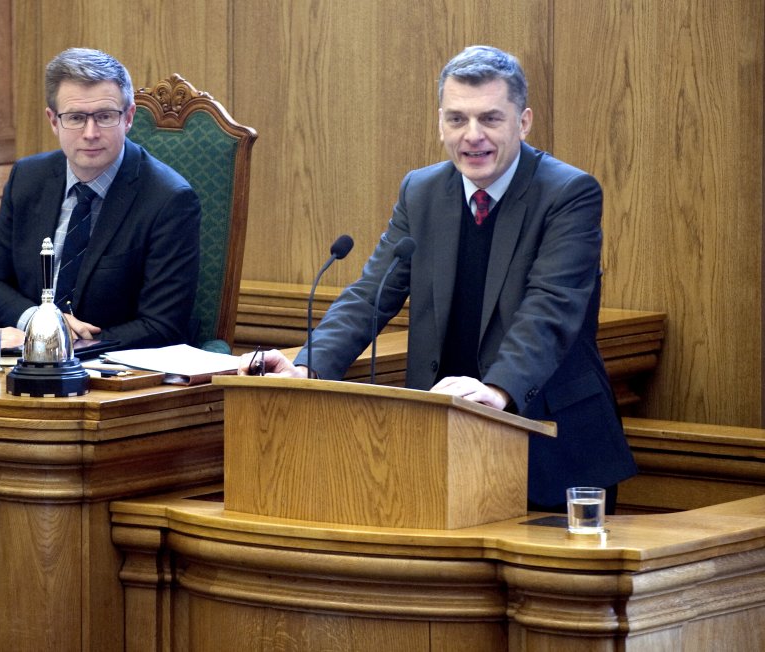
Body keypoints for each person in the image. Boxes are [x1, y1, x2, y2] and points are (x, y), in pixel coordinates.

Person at [239, 45, 636, 512]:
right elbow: (372, 294)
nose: (472, 136)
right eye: (457, 119)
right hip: (441, 443)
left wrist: (497, 389)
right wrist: (308, 366)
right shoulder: (422, 190)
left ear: (523, 122)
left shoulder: (568, 193)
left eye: (490, 118)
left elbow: (549, 309)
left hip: (551, 448)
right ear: (440, 122)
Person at [0, 48, 201, 349]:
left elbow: (163, 325)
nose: (90, 133)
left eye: (105, 116)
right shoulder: (27, 178)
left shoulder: (169, 199)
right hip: (27, 361)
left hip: (118, 374)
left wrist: (59, 340)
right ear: (54, 121)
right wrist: (36, 322)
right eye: (76, 118)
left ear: (128, 117)